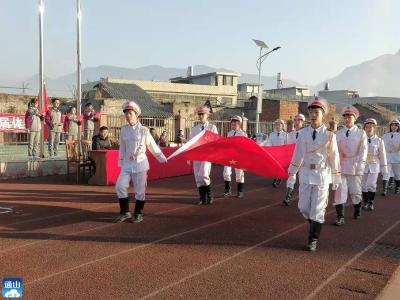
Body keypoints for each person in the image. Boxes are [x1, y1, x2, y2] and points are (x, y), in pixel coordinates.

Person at [288, 97, 341, 251]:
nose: (313, 115)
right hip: (305, 173)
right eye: (311, 112)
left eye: (316, 112)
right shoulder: (303, 133)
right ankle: (316, 225)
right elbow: (298, 154)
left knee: (317, 209)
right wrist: (292, 172)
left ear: (322, 114)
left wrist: (336, 177)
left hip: (322, 174)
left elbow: (334, 156)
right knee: (303, 207)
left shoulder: (329, 135)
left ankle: (313, 239)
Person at [114, 101, 167, 223]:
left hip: (140, 164)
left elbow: (152, 145)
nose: (128, 116)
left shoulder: (144, 130)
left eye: (130, 113)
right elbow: (122, 148)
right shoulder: (124, 130)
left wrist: (161, 157)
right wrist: (121, 163)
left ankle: (138, 213)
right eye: (126, 113)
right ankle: (125, 212)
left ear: (137, 115)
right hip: (127, 163)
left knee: (139, 190)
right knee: (120, 186)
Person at [333, 106, 367, 226]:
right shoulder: (338, 133)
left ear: (355, 118)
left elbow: (364, 150)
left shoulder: (361, 133)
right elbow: (335, 150)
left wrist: (361, 165)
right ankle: (340, 217)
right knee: (339, 191)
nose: (347, 119)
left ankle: (357, 207)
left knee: (355, 191)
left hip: (355, 164)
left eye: (349, 117)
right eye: (345, 117)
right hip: (341, 165)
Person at [190, 105, 218, 205]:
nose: (201, 116)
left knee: (204, 174)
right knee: (198, 176)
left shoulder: (212, 127)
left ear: (207, 115)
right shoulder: (194, 129)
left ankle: (209, 195)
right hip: (197, 155)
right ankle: (202, 197)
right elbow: (191, 143)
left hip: (207, 154)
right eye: (199, 114)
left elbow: (215, 141)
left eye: (203, 114)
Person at [361, 118, 387, 211]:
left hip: (374, 165)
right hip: (363, 166)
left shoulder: (379, 140)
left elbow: (382, 155)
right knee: (363, 185)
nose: (369, 128)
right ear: (364, 128)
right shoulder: (361, 139)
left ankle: (371, 202)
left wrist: (384, 169)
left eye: (371, 127)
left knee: (371, 184)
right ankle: (366, 202)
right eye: (367, 127)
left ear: (374, 128)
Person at [283, 113, 306, 205]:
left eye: (299, 120)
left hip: (304, 160)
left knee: (303, 180)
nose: (296, 122)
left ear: (303, 122)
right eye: (295, 120)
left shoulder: (306, 133)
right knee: (291, 177)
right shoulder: (289, 135)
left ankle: (303, 199)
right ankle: (287, 197)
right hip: (293, 159)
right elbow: (286, 147)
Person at [223, 115, 247, 198]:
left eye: (235, 123)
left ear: (239, 124)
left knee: (239, 174)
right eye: (232, 123)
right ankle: (227, 191)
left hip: (238, 156)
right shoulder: (229, 133)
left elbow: (246, 147)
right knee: (226, 172)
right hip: (229, 156)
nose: (233, 125)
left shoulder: (243, 134)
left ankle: (240, 191)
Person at [267, 119, 288, 187]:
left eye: (279, 124)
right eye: (276, 125)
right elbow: (269, 143)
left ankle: (279, 178)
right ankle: (275, 178)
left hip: (282, 153)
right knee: (274, 166)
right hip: (274, 153)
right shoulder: (272, 134)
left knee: (280, 167)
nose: (277, 126)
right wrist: (269, 150)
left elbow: (286, 144)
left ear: (282, 126)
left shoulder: (285, 134)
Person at [382, 119, 400, 194]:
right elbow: (382, 145)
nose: (393, 127)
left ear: (398, 126)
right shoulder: (385, 135)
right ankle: (384, 190)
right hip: (387, 156)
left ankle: (397, 188)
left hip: (397, 156)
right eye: (392, 125)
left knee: (397, 173)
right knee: (386, 173)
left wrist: (397, 148)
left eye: (395, 125)